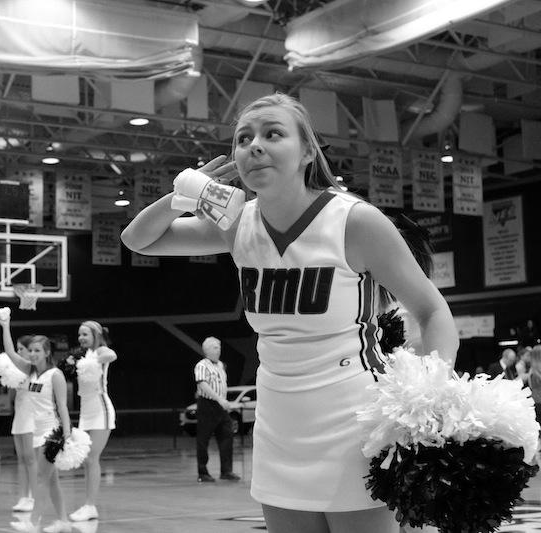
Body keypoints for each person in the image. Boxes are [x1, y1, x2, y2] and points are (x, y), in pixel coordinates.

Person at [121, 92, 459, 533]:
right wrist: (181, 195)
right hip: (278, 421)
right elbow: (137, 240)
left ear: (307, 153)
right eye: (244, 139)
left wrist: (429, 395)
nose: (254, 145)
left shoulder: (355, 221)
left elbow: (433, 311)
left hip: (354, 418)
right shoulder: (237, 223)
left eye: (272, 134)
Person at [0, 332, 73, 533]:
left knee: (41, 478)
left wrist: (67, 433)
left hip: (52, 432)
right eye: (30, 350)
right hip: (36, 430)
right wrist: (5, 325)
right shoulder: (29, 370)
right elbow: (10, 352)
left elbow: (63, 407)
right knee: (52, 481)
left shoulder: (55, 375)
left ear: (47, 352)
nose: (32, 354)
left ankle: (33, 522)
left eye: (37, 351)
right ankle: (63, 521)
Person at [69, 321, 117, 523]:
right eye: (79, 334)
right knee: (86, 461)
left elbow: (111, 355)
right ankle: (88, 505)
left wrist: (95, 357)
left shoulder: (100, 351)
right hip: (85, 412)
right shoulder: (83, 354)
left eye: (85, 334)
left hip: (100, 409)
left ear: (95, 335)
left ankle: (90, 506)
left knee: (91, 458)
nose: (81, 338)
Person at [0, 315, 37, 512]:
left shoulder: (35, 368)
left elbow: (42, 391)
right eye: (19, 349)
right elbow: (9, 351)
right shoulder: (18, 369)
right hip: (20, 416)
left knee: (31, 459)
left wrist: (6, 325)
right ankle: (23, 497)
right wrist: (5, 326)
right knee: (21, 459)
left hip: (33, 417)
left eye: (22, 349)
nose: (18, 352)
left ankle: (34, 497)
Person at [193, 336, 240, 483]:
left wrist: (225, 400)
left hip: (221, 406)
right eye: (215, 347)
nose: (218, 350)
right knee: (203, 439)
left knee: (227, 436)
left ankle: (226, 471)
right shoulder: (201, 365)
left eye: (219, 347)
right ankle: (203, 472)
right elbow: (202, 384)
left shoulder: (220, 365)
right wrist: (219, 399)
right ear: (207, 350)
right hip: (207, 404)